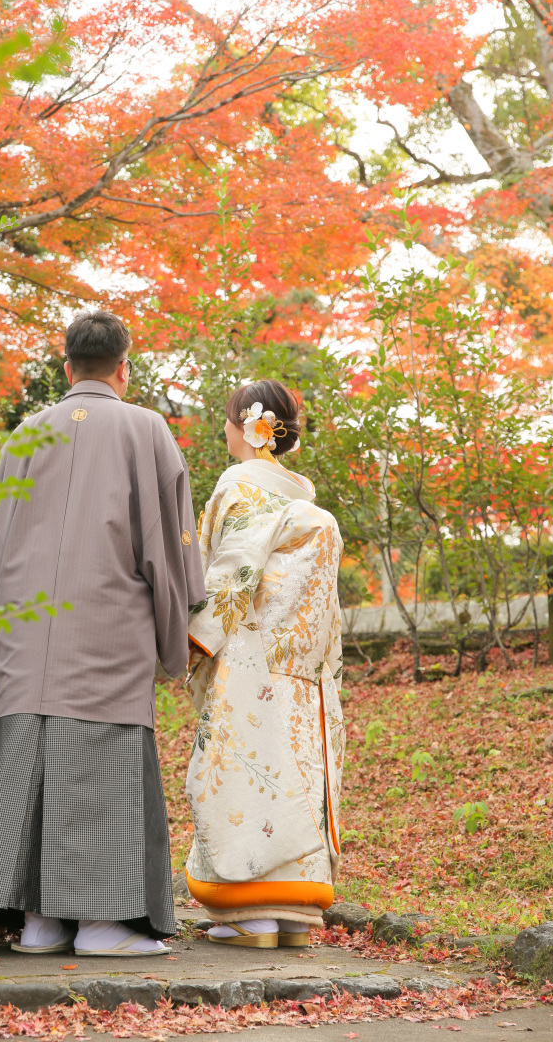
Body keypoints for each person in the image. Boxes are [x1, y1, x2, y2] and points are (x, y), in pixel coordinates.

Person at [0, 310, 206, 957]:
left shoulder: (25, 435)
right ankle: (101, 925)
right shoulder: (146, 430)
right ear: (124, 367)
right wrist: (179, 632)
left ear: (66, 368)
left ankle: (37, 923)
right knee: (98, 771)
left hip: (28, 647)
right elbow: (170, 554)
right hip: (107, 639)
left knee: (28, 766)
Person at [184, 379, 345, 949]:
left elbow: (229, 574)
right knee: (293, 775)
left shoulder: (241, 485)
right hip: (302, 676)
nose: (224, 431)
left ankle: (250, 916)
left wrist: (192, 642)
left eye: (229, 421)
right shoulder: (306, 504)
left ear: (251, 430)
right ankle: (295, 916)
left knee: (244, 778)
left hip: (248, 665)